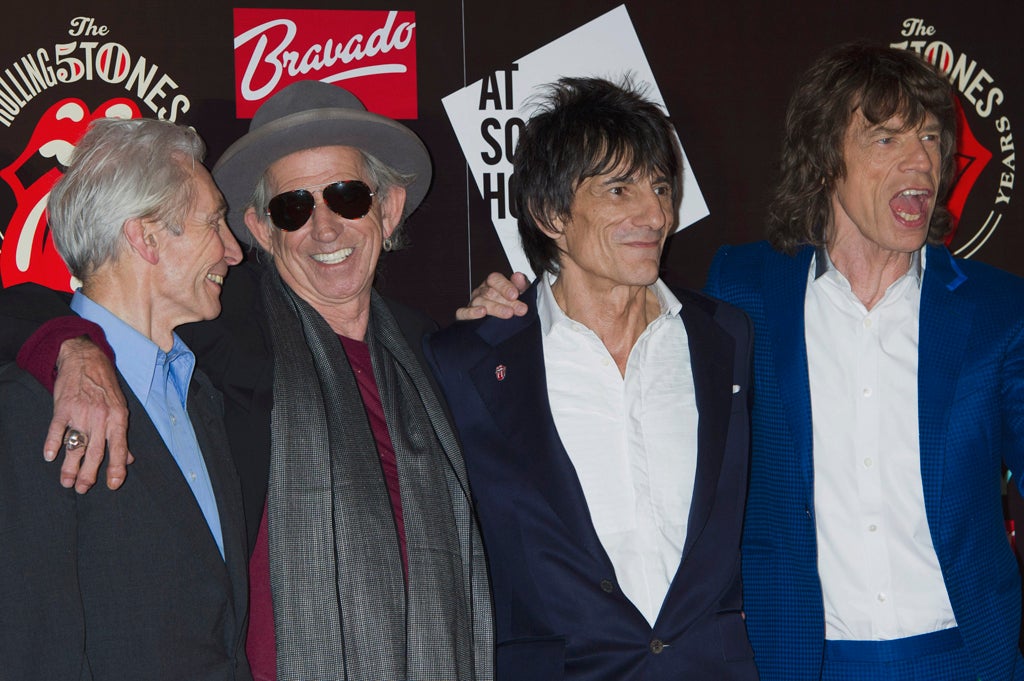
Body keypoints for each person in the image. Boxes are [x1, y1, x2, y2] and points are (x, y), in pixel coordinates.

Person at [0, 82, 493, 681]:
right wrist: (70, 347)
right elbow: (62, 301)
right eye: (293, 207)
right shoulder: (227, 329)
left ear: (386, 210)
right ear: (262, 229)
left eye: (347, 196)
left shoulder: (430, 350)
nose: (326, 228)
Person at [702, 43, 1024, 681]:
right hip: (802, 662)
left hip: (965, 659)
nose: (922, 162)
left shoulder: (997, 310)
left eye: (932, 139)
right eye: (886, 140)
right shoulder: (743, 289)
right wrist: (515, 310)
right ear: (825, 163)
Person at [425, 76, 757, 679]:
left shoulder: (725, 338)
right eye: (619, 189)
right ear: (552, 214)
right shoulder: (470, 364)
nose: (654, 212)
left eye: (661, 186)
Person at [0, 117, 251, 679]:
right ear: (145, 237)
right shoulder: (29, 410)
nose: (233, 251)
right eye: (214, 221)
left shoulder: (200, 395)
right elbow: (30, 647)